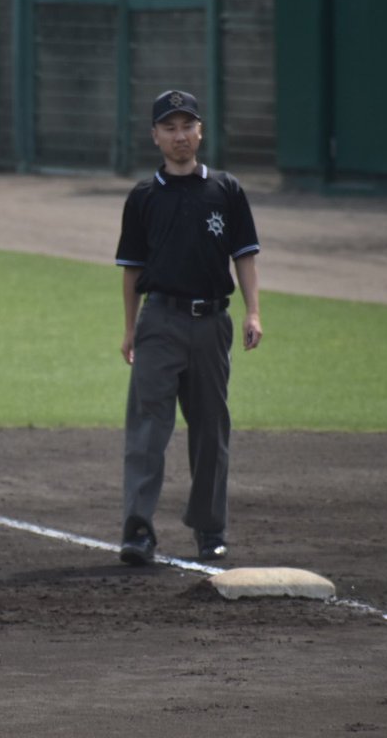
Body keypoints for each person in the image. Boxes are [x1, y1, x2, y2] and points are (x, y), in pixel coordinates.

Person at [114, 90, 263, 566]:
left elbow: (244, 255)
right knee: (147, 427)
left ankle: (210, 529)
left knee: (210, 428)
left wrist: (253, 312)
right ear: (155, 136)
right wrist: (130, 328)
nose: (180, 136)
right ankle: (138, 529)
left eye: (187, 126)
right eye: (170, 127)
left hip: (213, 322)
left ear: (201, 131)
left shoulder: (226, 190)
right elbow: (132, 270)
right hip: (159, 320)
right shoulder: (143, 197)